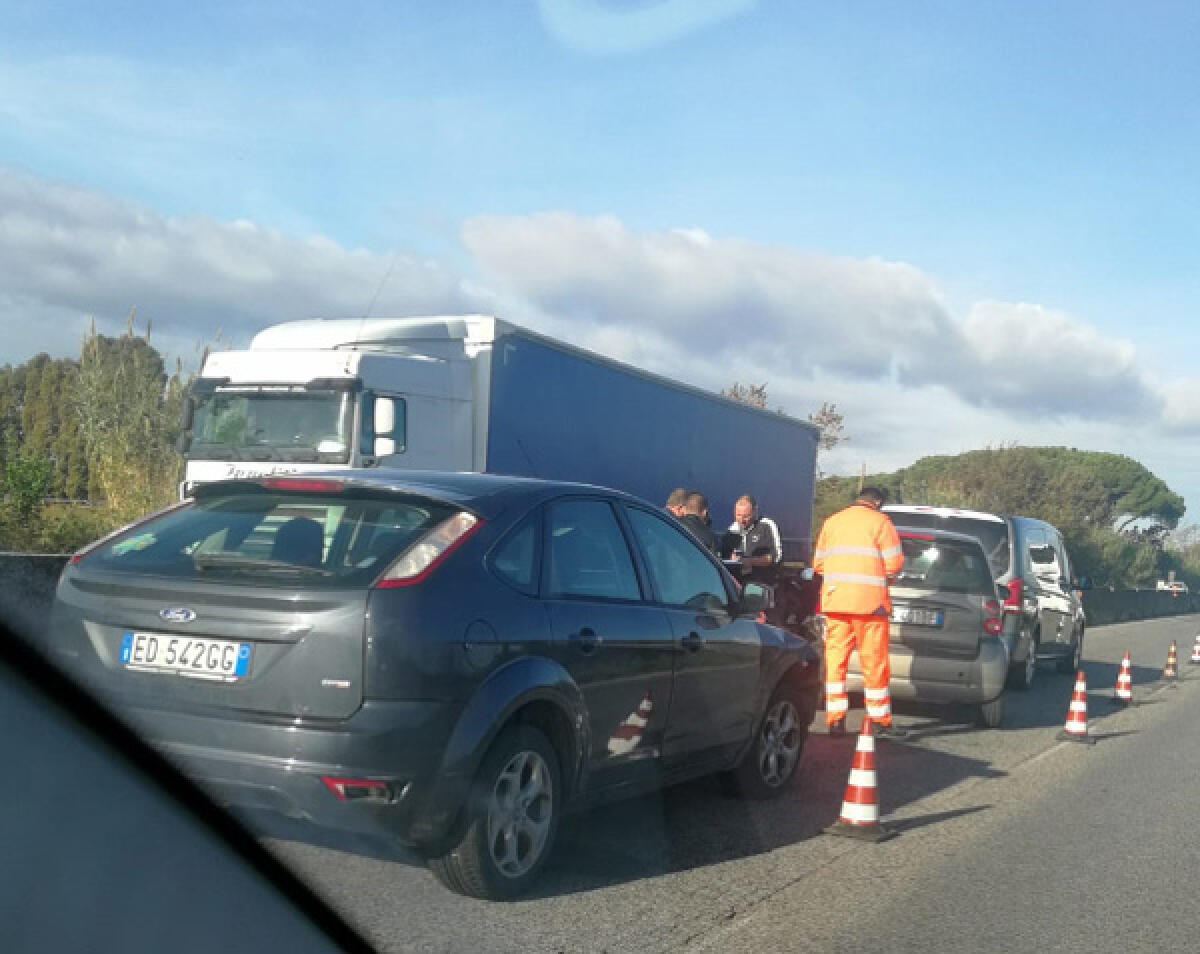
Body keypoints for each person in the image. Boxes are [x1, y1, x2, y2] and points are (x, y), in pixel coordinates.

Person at [812, 486, 905, 738]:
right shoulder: (881, 522)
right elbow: (894, 564)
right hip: (870, 606)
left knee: (835, 662)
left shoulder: (832, 522)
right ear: (878, 502)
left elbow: (818, 564)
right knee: (873, 663)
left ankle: (835, 721)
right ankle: (878, 721)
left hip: (836, 603)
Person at [725, 494, 782, 583]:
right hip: (738, 583)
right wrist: (731, 558)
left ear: (755, 511)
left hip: (762, 583)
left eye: (746, 516)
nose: (742, 520)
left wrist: (750, 561)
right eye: (738, 515)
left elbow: (776, 556)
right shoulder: (731, 530)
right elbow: (723, 557)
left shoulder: (766, 525)